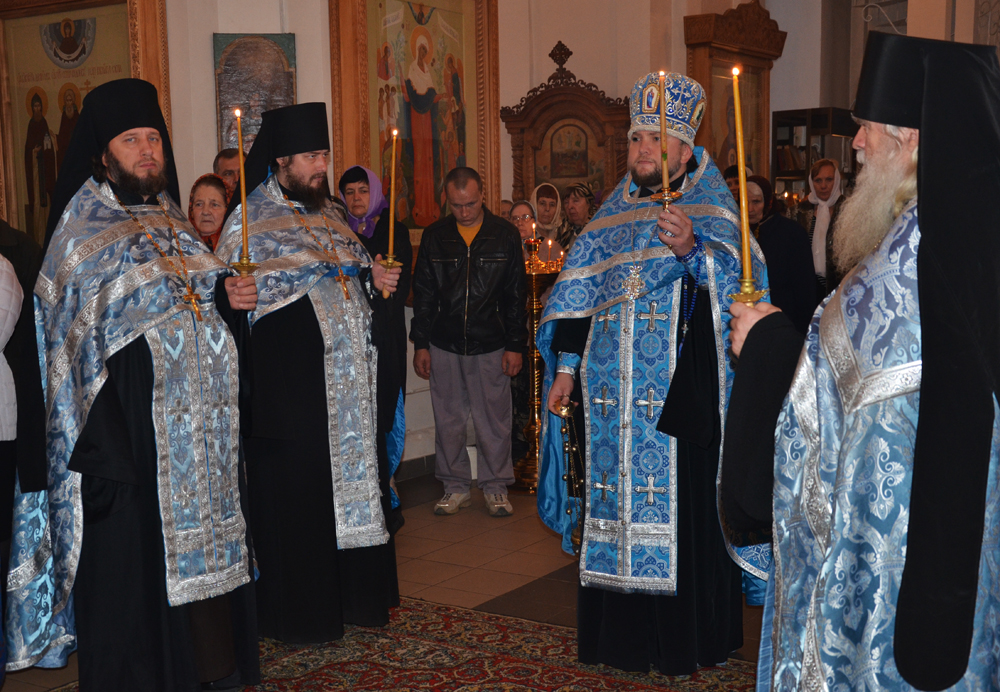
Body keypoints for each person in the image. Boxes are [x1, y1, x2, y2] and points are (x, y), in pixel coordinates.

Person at [724, 31, 1000, 692]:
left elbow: (830, 411)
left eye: (866, 129)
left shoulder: (907, 269)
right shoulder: (965, 234)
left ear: (910, 140)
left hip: (907, 572)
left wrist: (765, 344)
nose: (855, 145)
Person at [5, 78, 260, 691]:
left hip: (201, 445)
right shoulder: (78, 236)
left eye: (153, 138)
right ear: (103, 154)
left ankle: (212, 671)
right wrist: (109, 453)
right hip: (124, 450)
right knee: (135, 583)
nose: (147, 150)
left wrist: (229, 301)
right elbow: (66, 355)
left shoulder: (176, 224)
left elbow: (202, 318)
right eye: (131, 140)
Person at [539, 71, 768, 676]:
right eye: (636, 139)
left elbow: (745, 293)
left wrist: (692, 251)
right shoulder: (608, 219)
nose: (642, 150)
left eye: (655, 140)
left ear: (686, 150)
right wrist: (566, 368)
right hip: (608, 402)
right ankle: (617, 641)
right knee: (609, 508)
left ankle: (683, 643)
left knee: (684, 515)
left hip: (679, 401)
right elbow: (579, 301)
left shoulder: (713, 211)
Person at [216, 102, 402, 644]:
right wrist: (232, 299)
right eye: (312, 157)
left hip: (348, 389)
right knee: (302, 501)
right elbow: (228, 305)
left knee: (352, 485)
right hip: (290, 397)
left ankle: (356, 600)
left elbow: (353, 281)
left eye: (324, 154)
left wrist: (374, 280)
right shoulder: (248, 222)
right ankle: (303, 614)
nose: (323, 166)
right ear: (281, 161)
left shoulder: (332, 216)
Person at [410, 167, 526, 517]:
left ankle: (496, 487)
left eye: (471, 204)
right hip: (444, 342)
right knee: (448, 420)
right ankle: (455, 486)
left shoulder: (504, 235)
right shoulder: (435, 236)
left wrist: (515, 344)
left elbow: (516, 296)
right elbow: (424, 294)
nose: (464, 212)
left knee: (494, 421)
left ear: (482, 196)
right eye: (457, 205)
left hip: (492, 342)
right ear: (447, 199)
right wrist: (420, 343)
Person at [337, 164, 413, 531]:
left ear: (376, 193)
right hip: (350, 339)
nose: (356, 198)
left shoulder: (393, 231)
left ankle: (387, 492)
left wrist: (375, 278)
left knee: (384, 412)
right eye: (349, 192)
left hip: (385, 336)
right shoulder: (337, 232)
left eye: (363, 190)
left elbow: (397, 287)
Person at [744, 175, 817, 334]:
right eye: (744, 201)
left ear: (769, 202)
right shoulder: (738, 232)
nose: (749, 209)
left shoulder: (792, 233)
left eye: (756, 202)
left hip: (785, 322)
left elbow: (805, 290)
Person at [793, 158, 844, 297]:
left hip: (839, 287)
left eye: (829, 179)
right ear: (811, 182)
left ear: (837, 180)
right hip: (805, 286)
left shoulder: (848, 209)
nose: (823, 186)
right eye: (818, 180)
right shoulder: (798, 211)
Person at [24, 92, 56, 243]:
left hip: (45, 174)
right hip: (36, 173)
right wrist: (33, 152)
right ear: (32, 108)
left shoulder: (44, 123)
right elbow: (27, 150)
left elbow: (49, 149)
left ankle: (48, 238)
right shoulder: (31, 125)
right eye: (35, 106)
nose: (37, 109)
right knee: (38, 206)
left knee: (47, 207)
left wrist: (50, 143)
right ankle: (39, 239)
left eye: (39, 106)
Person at [188, 173, 228, 250]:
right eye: (199, 204)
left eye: (214, 205)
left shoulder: (239, 250)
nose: (205, 212)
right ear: (191, 210)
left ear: (226, 209)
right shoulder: (179, 248)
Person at [529, 183, 566, 254]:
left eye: (552, 205)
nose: (547, 209)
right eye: (542, 203)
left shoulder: (563, 234)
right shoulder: (526, 234)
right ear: (534, 205)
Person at [558, 182, 595, 251]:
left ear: (588, 204)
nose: (569, 206)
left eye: (575, 201)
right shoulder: (562, 232)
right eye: (566, 202)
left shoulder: (598, 229)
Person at [56, 87, 79, 171]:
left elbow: (80, 131)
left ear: (73, 101)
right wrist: (56, 138)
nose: (69, 103)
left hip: (76, 148)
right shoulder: (64, 116)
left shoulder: (76, 115)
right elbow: (62, 132)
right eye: (67, 101)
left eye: (70, 100)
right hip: (66, 149)